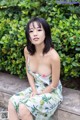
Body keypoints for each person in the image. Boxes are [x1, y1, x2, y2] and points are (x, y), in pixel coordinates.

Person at [8, 17, 63, 120]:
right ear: (28, 36)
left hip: (51, 92)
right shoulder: (27, 51)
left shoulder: (53, 56)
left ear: (45, 33)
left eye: (39, 30)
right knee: (12, 102)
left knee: (23, 108)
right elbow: (28, 71)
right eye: (31, 31)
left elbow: (54, 85)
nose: (35, 34)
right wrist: (33, 89)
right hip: (36, 87)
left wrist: (39, 95)